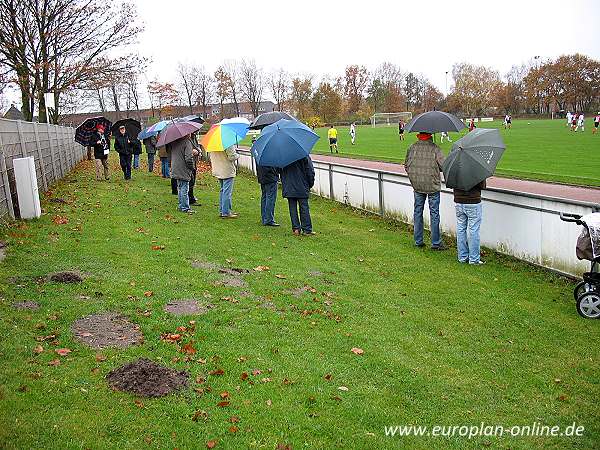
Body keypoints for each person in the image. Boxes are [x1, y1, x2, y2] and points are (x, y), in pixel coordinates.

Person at [404, 132, 445, 250]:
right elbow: (444, 166)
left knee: (417, 212)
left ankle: (418, 240)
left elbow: (406, 165)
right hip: (432, 186)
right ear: (430, 136)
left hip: (417, 185)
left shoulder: (412, 148)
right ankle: (436, 242)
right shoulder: (435, 149)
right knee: (434, 213)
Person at [280, 156, 315, 236]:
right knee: (304, 207)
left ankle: (296, 229)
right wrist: (310, 184)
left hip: (289, 186)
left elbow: (280, 171)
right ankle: (306, 229)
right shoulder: (303, 155)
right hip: (301, 185)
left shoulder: (283, 157)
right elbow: (310, 171)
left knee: (292, 208)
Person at [454, 180, 486, 265]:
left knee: (461, 229)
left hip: (459, 201)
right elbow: (482, 186)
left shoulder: (455, 167)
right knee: (474, 231)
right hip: (473, 201)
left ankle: (462, 257)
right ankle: (474, 259)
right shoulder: (476, 168)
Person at [169, 136, 198, 214]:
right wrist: (192, 167)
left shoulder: (175, 141)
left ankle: (181, 205)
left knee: (180, 187)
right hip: (183, 168)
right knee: (184, 188)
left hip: (176, 167)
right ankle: (185, 207)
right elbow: (188, 158)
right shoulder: (186, 142)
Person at [210, 146, 239, 218]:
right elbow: (232, 157)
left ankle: (222, 210)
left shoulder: (214, 144)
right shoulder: (228, 143)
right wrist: (237, 155)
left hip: (218, 169)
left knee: (223, 191)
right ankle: (226, 212)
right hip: (226, 170)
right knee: (226, 192)